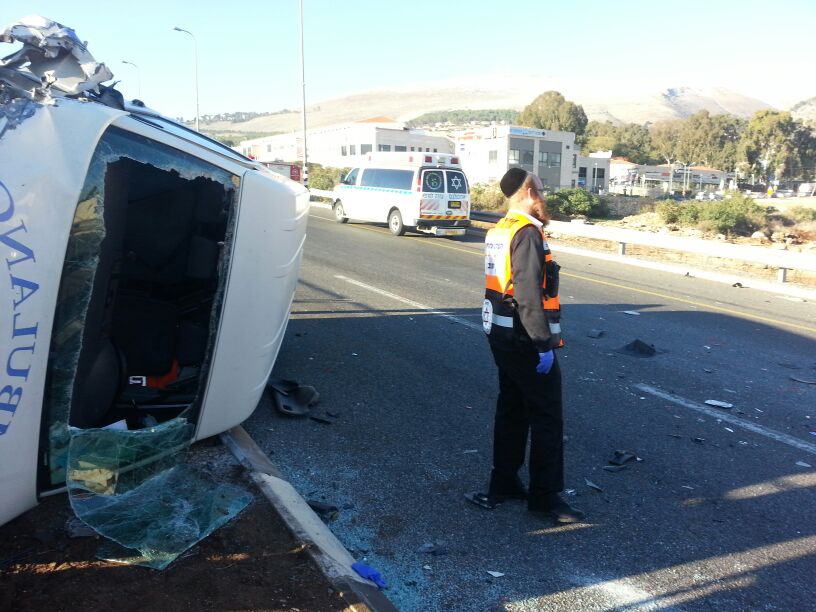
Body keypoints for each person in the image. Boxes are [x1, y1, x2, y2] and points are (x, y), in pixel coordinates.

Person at [467, 167, 584, 524]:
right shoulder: (527, 233)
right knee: (547, 417)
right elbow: (529, 294)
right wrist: (543, 345)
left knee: (512, 409)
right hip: (525, 339)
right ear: (530, 193)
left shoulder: (500, 229)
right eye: (542, 191)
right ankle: (545, 498)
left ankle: (502, 482)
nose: (544, 197)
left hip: (501, 334)